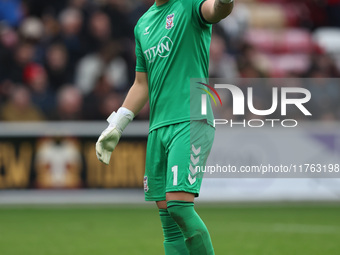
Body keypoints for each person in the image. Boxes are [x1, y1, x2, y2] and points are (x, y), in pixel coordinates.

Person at [96, 0, 233, 254]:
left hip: (191, 119)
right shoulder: (143, 24)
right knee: (169, 224)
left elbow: (216, 10)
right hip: (158, 128)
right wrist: (117, 124)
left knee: (179, 206)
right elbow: (141, 83)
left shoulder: (190, 4)